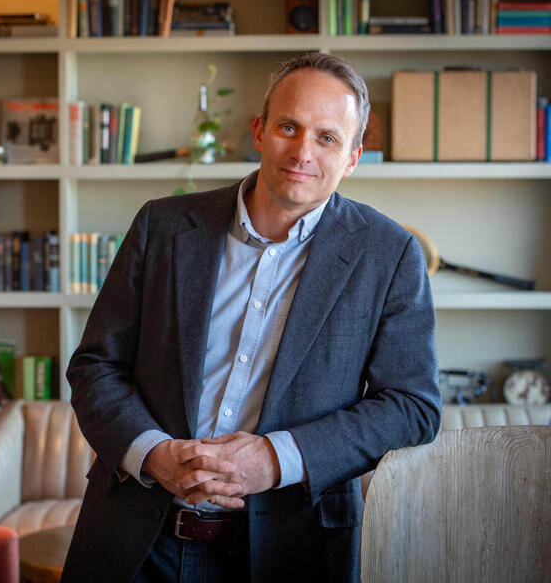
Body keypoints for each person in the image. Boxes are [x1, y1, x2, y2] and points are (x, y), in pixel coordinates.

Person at [62, 52, 442, 583]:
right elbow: (95, 366)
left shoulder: (389, 254)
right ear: (260, 131)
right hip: (136, 539)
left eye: (328, 138)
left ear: (353, 157)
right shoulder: (163, 227)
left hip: (289, 545)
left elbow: (412, 407)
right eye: (290, 126)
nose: (303, 152)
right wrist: (153, 454)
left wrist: (277, 458)